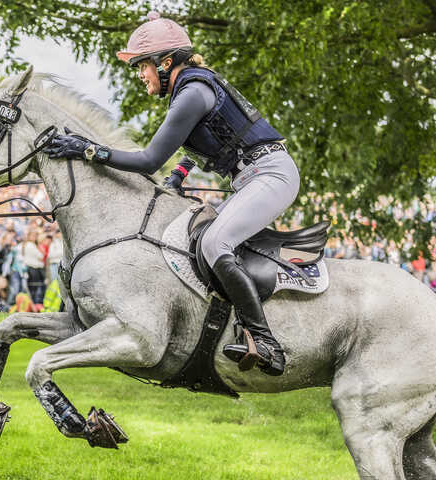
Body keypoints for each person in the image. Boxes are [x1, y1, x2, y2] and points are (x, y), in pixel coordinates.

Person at [44, 12, 300, 376]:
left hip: (271, 174)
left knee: (214, 244)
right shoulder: (191, 90)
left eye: (142, 66)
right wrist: (180, 174)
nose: (140, 75)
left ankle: (267, 344)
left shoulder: (192, 93)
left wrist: (86, 149)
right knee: (196, 240)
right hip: (252, 175)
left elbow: (149, 160)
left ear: (165, 63)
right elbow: (208, 143)